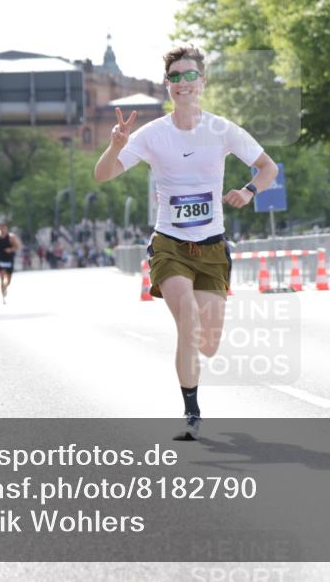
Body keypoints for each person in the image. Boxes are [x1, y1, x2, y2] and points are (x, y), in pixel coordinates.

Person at [94, 44, 278, 440]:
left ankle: (194, 390)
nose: (183, 83)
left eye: (189, 75)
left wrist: (248, 191)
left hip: (212, 245)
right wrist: (115, 145)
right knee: (188, 322)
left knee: (208, 344)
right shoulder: (151, 134)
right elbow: (103, 176)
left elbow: (268, 167)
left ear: (202, 81)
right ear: (168, 86)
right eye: (175, 77)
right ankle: (191, 413)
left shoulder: (222, 129)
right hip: (169, 243)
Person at [0, 222, 20, 304]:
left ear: (6, 228)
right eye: (1, 227)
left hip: (9, 260)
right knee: (2, 278)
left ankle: (5, 287)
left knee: (9, 280)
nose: (2, 229)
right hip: (0, 260)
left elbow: (17, 247)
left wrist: (11, 249)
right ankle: (3, 296)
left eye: (4, 227)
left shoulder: (11, 237)